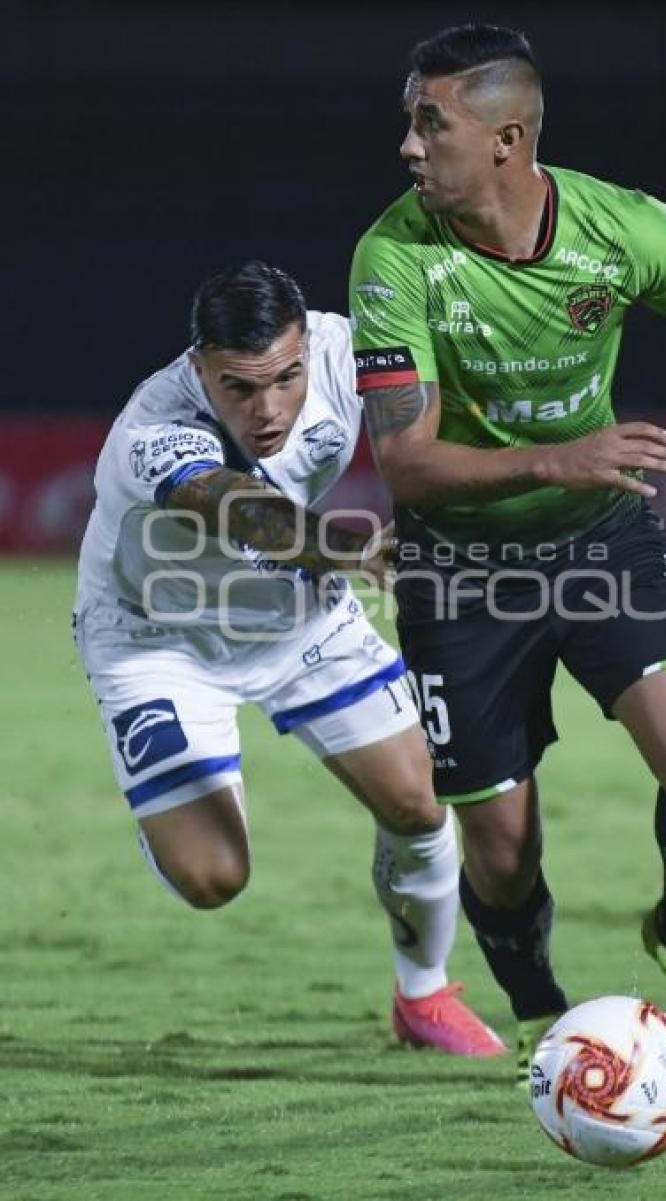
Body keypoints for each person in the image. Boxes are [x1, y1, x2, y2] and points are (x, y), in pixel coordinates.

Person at [349, 24, 666, 1084]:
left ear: (507, 139)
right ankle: (545, 1018)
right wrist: (561, 456)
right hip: (457, 571)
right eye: (408, 121)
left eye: (432, 123)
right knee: (503, 856)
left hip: (601, 539)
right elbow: (407, 467)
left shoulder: (620, 227)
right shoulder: (394, 255)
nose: (410, 148)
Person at [73, 259, 504, 1059]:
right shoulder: (153, 428)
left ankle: (423, 994)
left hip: (296, 621)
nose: (268, 409)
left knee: (419, 800)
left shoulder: (350, 353)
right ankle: (164, 815)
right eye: (239, 387)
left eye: (286, 378)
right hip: (155, 638)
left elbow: (446, 400)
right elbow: (242, 512)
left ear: (311, 344)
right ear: (199, 364)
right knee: (212, 878)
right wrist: (351, 553)